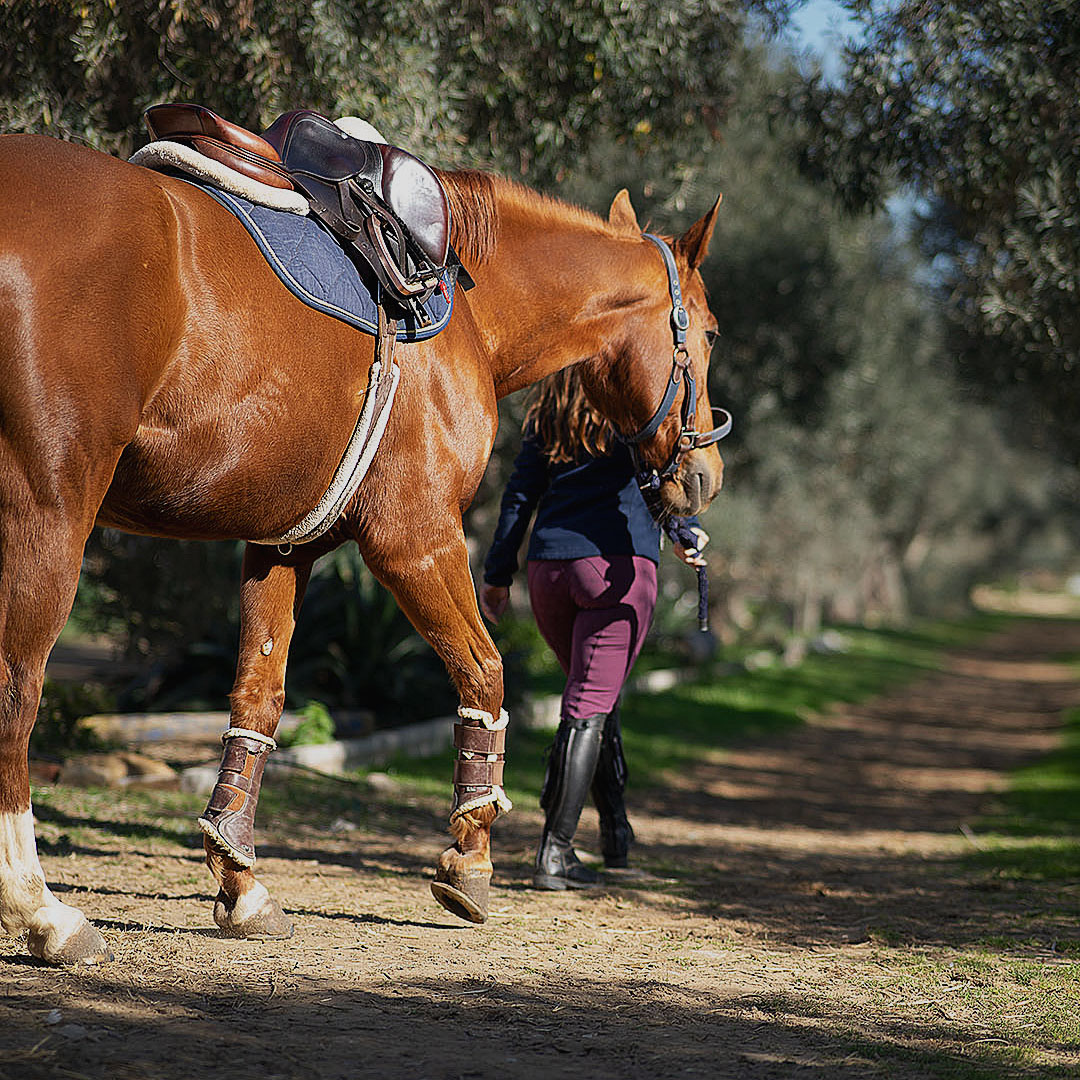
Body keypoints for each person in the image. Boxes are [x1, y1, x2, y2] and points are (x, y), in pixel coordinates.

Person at [479, 367, 709, 890]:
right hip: (615, 569)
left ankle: (615, 841)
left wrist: (497, 573)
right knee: (588, 706)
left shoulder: (548, 413)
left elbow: (520, 492)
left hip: (548, 571)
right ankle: (555, 853)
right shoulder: (636, 409)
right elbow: (661, 479)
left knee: (596, 699)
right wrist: (682, 530)